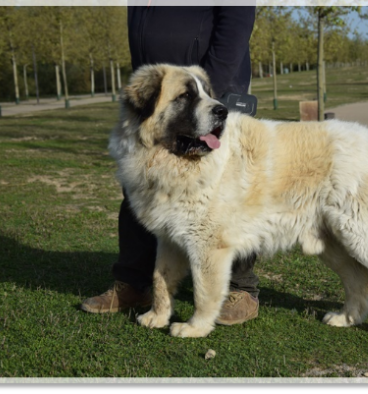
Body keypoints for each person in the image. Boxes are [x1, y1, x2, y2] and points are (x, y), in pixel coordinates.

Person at [81, 4, 260, 326]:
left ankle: (240, 287)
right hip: (163, 94)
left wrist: (207, 91)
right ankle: (134, 283)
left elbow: (237, 17)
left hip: (207, 88)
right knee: (141, 185)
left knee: (230, 192)